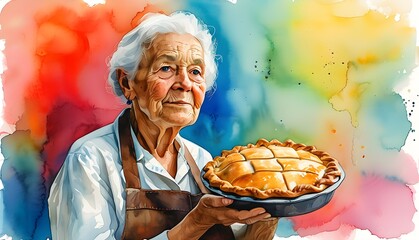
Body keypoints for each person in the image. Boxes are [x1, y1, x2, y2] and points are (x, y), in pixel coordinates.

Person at [48, 11, 279, 240]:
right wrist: (195, 223)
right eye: (166, 68)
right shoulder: (91, 159)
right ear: (127, 82)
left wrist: (270, 216)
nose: (185, 83)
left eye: (195, 72)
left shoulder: (202, 161)